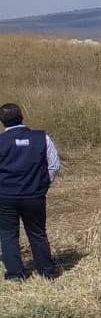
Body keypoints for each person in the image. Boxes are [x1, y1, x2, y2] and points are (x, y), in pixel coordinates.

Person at [0, 103, 61, 281]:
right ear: (21, 116)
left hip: (5, 196)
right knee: (37, 232)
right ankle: (46, 272)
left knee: (7, 233)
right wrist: (43, 185)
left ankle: (15, 274)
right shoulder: (42, 137)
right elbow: (54, 165)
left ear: (2, 121)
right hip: (34, 195)